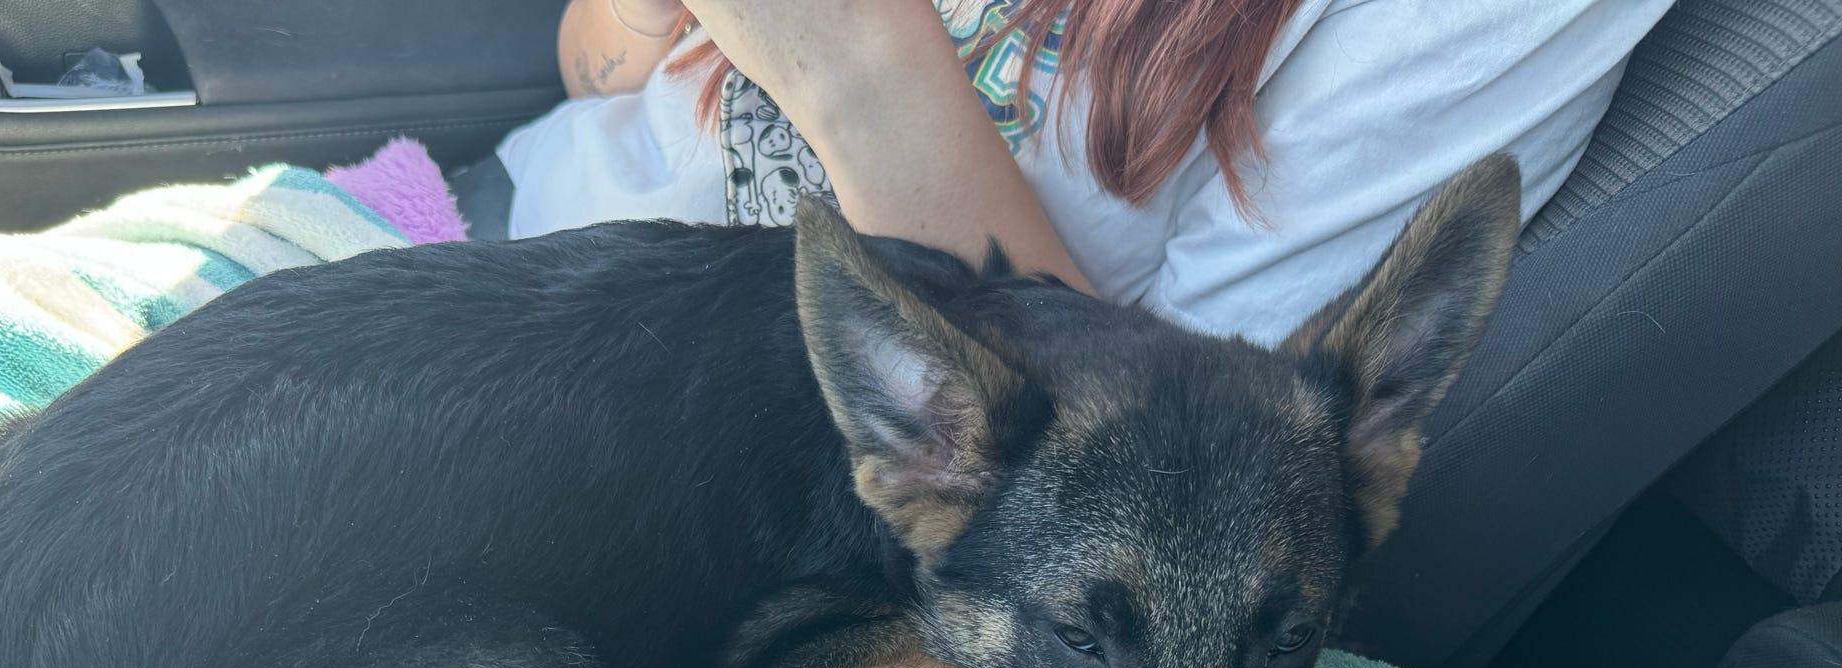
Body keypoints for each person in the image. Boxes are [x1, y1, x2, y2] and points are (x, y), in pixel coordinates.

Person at [474, 0, 1673, 344]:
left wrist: (858, 62)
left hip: (753, 447)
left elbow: (1183, 455)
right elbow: (595, 72)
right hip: (515, 249)